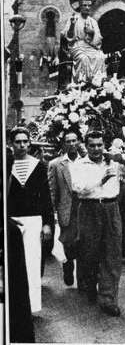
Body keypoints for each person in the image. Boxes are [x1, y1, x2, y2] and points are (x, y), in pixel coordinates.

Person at [70, 130, 125, 317]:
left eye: (100, 145)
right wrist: (101, 180)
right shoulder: (80, 164)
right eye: (92, 145)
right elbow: (79, 189)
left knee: (113, 253)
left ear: (104, 144)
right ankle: (90, 283)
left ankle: (108, 298)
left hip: (111, 208)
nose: (97, 149)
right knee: (89, 252)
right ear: (85, 146)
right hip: (89, 209)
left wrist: (122, 159)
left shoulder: (114, 160)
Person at [7, 126, 53, 313]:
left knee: (32, 263)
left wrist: (47, 223)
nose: (22, 145)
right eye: (18, 142)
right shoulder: (6, 164)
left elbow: (45, 196)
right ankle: (14, 306)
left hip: (34, 220)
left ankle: (32, 306)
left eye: (25, 141)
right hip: (12, 220)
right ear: (11, 143)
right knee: (13, 264)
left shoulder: (39, 165)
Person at [48, 131, 83, 288]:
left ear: (79, 142)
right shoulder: (56, 164)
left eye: (74, 140)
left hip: (85, 208)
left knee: (85, 242)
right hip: (67, 208)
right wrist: (52, 211)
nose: (71, 144)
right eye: (68, 141)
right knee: (69, 242)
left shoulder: (86, 162)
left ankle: (83, 278)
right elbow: (52, 190)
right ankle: (68, 266)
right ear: (64, 144)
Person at [62, 0, 106, 82]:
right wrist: (72, 25)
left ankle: (97, 83)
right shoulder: (74, 19)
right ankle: (82, 84)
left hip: (91, 46)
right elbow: (68, 37)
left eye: (89, 5)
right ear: (80, 6)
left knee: (100, 57)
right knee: (83, 58)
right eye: (84, 5)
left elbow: (99, 38)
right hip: (78, 46)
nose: (87, 8)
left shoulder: (93, 22)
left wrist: (92, 32)